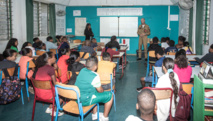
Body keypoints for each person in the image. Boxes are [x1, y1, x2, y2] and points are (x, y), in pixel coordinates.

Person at [75, 56, 113, 121]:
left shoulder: (82, 70)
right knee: (110, 96)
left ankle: (94, 114)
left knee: (94, 91)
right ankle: (105, 117)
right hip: (85, 100)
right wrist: (103, 89)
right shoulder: (95, 75)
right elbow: (100, 90)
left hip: (77, 98)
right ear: (96, 66)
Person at [33, 52, 63, 116]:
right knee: (63, 94)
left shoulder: (39, 68)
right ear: (49, 59)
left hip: (38, 94)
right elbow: (55, 84)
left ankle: (49, 108)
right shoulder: (50, 69)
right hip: (48, 95)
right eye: (54, 57)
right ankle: (55, 110)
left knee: (52, 89)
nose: (55, 58)